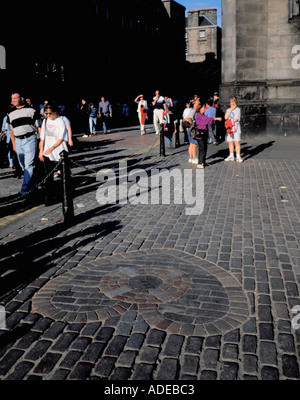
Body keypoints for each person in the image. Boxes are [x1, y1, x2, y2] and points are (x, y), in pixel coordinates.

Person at [7, 92, 41, 194]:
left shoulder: (32, 110)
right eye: (12, 98)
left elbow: (39, 127)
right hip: (18, 141)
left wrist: (41, 142)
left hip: (30, 138)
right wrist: (13, 144)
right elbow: (11, 130)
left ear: (21, 98)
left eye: (15, 98)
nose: (13, 100)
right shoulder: (10, 113)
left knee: (29, 165)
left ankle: (25, 189)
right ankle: (33, 185)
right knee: (23, 166)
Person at [39, 102, 69, 205]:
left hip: (59, 151)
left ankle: (64, 195)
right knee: (48, 176)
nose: (48, 116)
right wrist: (41, 152)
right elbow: (42, 138)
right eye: (47, 113)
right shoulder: (46, 121)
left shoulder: (61, 121)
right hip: (47, 152)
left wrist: (52, 148)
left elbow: (61, 138)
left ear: (56, 112)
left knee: (64, 176)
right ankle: (48, 198)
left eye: (50, 113)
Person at [194, 101, 222, 169]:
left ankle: (203, 161)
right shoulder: (199, 115)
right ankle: (200, 163)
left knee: (205, 147)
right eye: (204, 108)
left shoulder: (202, 115)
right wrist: (216, 118)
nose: (205, 109)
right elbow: (206, 120)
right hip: (200, 133)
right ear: (200, 108)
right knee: (202, 148)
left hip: (204, 133)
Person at [224, 97, 243, 162]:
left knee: (237, 142)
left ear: (236, 102)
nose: (232, 103)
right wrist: (231, 109)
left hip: (236, 128)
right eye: (231, 101)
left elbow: (235, 119)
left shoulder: (238, 109)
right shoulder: (228, 110)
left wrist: (229, 121)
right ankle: (231, 155)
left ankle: (238, 156)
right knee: (230, 142)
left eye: (233, 101)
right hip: (229, 128)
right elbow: (226, 117)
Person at [185, 98, 199, 164]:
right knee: (194, 144)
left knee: (191, 144)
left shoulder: (192, 110)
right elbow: (188, 118)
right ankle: (194, 158)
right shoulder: (194, 110)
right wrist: (193, 125)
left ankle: (191, 158)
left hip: (189, 129)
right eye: (198, 103)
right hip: (192, 129)